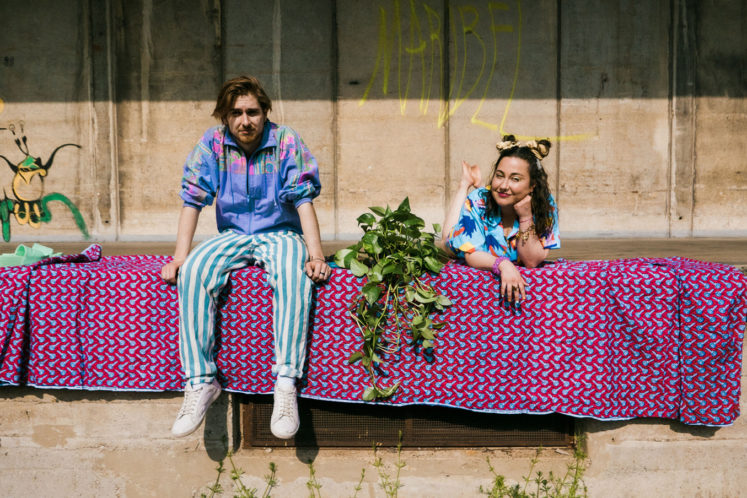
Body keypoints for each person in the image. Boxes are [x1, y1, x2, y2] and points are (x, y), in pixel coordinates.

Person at [160, 75, 330, 439]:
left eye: (252, 112)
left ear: (265, 112)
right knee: (194, 272)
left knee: (292, 273)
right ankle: (201, 381)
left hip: (280, 233)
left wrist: (315, 254)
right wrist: (179, 257)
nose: (245, 121)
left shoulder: (285, 140)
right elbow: (192, 199)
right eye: (236, 113)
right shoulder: (212, 143)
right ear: (224, 116)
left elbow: (303, 197)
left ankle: (286, 383)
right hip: (233, 234)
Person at [439, 135, 560, 303]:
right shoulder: (479, 199)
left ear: (533, 185)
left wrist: (526, 216)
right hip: (468, 244)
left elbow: (531, 261)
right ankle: (465, 183)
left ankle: (473, 183)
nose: (503, 185)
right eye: (499, 175)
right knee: (446, 242)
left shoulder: (546, 204)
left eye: (515, 179)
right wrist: (503, 264)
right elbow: (471, 255)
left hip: (511, 218)